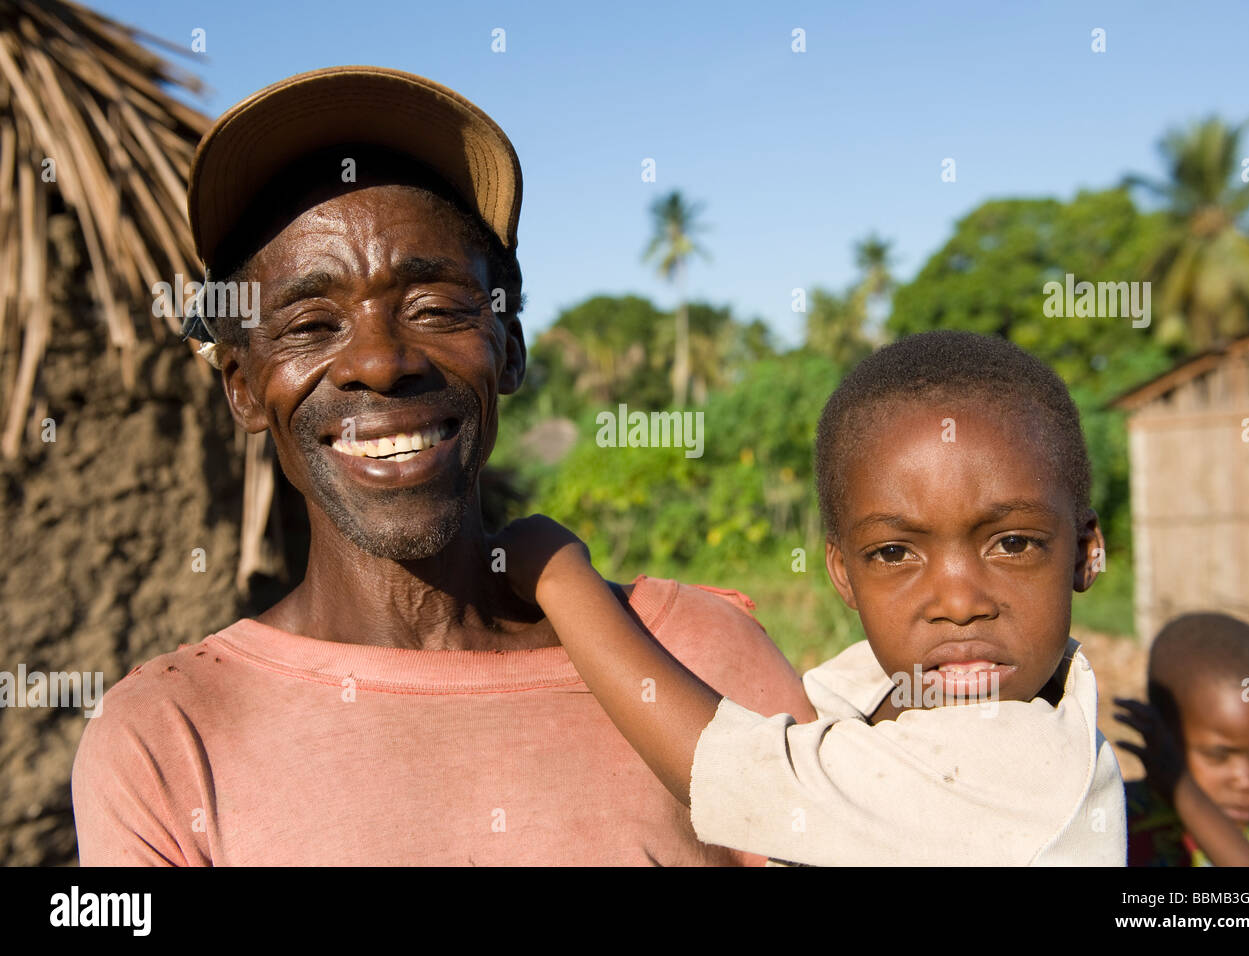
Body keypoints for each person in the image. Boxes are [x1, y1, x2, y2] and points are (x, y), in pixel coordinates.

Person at [70, 66, 815, 866]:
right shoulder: (166, 740)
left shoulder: (699, 660)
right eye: (312, 324)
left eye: (434, 309)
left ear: (510, 353)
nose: (381, 363)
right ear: (245, 388)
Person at [493, 330, 1128, 866]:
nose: (959, 601)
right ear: (843, 574)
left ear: (1083, 553)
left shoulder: (1030, 768)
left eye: (1012, 543)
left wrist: (559, 577)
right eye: (894, 554)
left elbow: (727, 770)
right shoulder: (900, 687)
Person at [1118, 612, 1249, 866]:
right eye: (1220, 755)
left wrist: (1182, 791)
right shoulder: (1119, 817)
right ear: (1161, 737)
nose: (1247, 780)